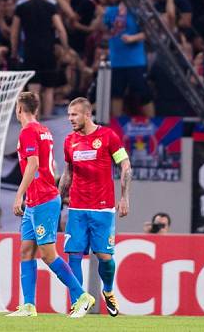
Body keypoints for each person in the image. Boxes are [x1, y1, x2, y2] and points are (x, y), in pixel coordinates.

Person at [8, 92, 94, 318]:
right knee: (26, 250)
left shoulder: (28, 131)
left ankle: (81, 296)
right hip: (36, 199)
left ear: (19, 110)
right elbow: (50, 165)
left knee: (47, 254)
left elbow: (33, 164)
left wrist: (19, 195)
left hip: (43, 200)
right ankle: (28, 305)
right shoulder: (44, 130)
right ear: (36, 110)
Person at [59, 97, 131, 318]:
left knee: (105, 257)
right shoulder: (70, 141)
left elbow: (125, 165)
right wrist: (58, 199)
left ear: (87, 114)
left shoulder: (108, 136)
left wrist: (125, 197)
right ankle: (78, 301)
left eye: (74, 115)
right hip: (77, 207)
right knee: (74, 254)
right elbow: (68, 172)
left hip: (102, 208)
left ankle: (107, 291)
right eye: (69, 115)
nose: (70, 119)